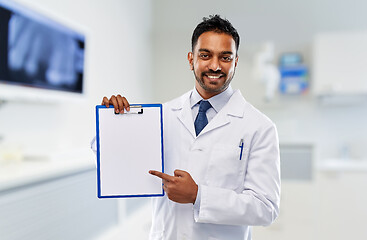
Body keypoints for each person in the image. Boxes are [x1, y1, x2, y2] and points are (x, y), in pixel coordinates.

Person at [99, 15, 280, 240]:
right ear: (191, 59)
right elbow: (119, 161)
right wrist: (113, 123)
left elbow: (266, 208)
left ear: (235, 62)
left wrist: (199, 196)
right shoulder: (163, 115)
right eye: (205, 55)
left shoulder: (259, 127)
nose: (214, 65)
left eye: (225, 57)